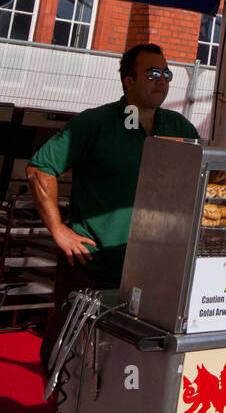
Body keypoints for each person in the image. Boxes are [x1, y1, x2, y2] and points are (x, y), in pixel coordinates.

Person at [27, 42, 199, 371]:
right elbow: (39, 170)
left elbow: (204, 178)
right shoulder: (95, 124)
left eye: (166, 74)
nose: (161, 80)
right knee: (69, 350)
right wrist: (59, 231)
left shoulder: (180, 129)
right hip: (94, 267)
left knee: (125, 359)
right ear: (128, 81)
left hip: (154, 273)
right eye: (152, 73)